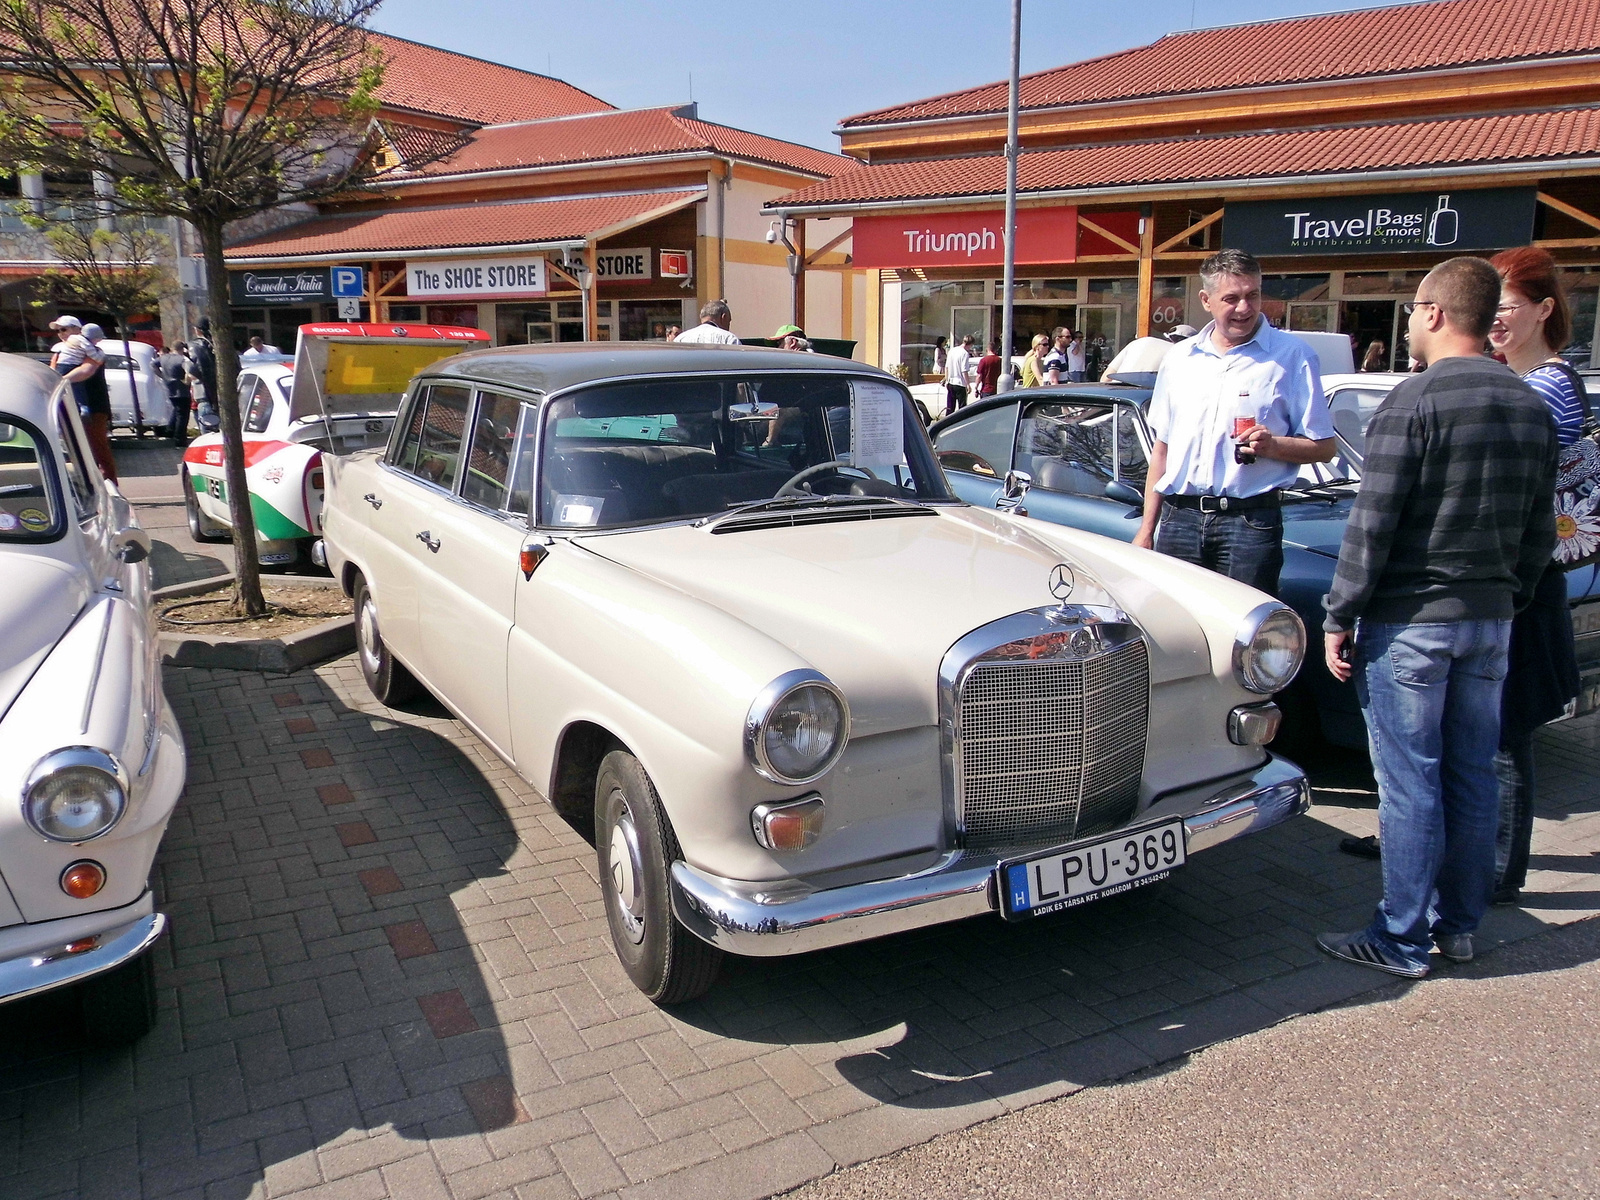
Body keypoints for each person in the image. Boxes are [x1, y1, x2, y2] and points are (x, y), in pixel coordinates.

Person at [1318, 256, 1558, 979]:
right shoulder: (1528, 404)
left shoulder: (1413, 402)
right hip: (1489, 620)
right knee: (1473, 775)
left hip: (1412, 621)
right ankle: (1459, 928)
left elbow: (1372, 525)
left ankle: (1399, 936)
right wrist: (1506, 597)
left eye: (1414, 309)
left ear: (1433, 313)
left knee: (1411, 783)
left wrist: (1339, 614)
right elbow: (1540, 534)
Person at [1132, 249, 1335, 595]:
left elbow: (1325, 448)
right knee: (1177, 627)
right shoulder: (1180, 359)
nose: (1244, 308)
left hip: (1249, 523)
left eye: (1252, 295)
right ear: (1206, 300)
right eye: (1231, 298)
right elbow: (1162, 451)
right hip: (1179, 519)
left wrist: (1274, 446)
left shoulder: (1292, 356)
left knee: (1244, 633)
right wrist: (1146, 529)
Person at [1485, 246, 1586, 905]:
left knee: (1505, 731)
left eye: (1506, 307)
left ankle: (1500, 870)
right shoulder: (1527, 381)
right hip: (1518, 574)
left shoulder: (1547, 388)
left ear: (1544, 309)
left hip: (1525, 580)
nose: (1493, 321)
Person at [67, 323, 117, 482]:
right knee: (83, 447)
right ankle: (92, 482)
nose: (61, 334)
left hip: (94, 407)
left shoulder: (94, 353)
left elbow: (86, 370)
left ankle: (109, 483)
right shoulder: (66, 352)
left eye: (64, 329)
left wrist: (61, 380)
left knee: (97, 446)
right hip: (76, 406)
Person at [161, 341, 193, 446]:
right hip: (182, 391)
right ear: (182, 349)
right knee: (182, 416)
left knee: (176, 410)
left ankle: (170, 430)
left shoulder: (164, 358)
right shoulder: (183, 359)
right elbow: (189, 371)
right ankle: (179, 439)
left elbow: (153, 364)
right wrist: (187, 381)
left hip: (170, 389)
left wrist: (162, 375)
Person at [190, 319, 219, 433]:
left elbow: (194, 369)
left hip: (205, 396)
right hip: (222, 398)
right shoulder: (218, 344)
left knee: (208, 434)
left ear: (198, 330)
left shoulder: (195, 345)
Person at [674, 300, 741, 345]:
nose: (729, 326)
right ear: (723, 317)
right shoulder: (728, 339)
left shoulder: (680, 340)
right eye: (729, 321)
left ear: (701, 317)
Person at [943, 334, 973, 414]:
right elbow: (964, 370)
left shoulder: (952, 351)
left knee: (950, 407)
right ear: (970, 344)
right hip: (960, 383)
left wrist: (946, 380)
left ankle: (948, 424)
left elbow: (947, 367)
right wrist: (968, 384)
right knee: (962, 408)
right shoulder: (965, 354)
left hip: (951, 382)